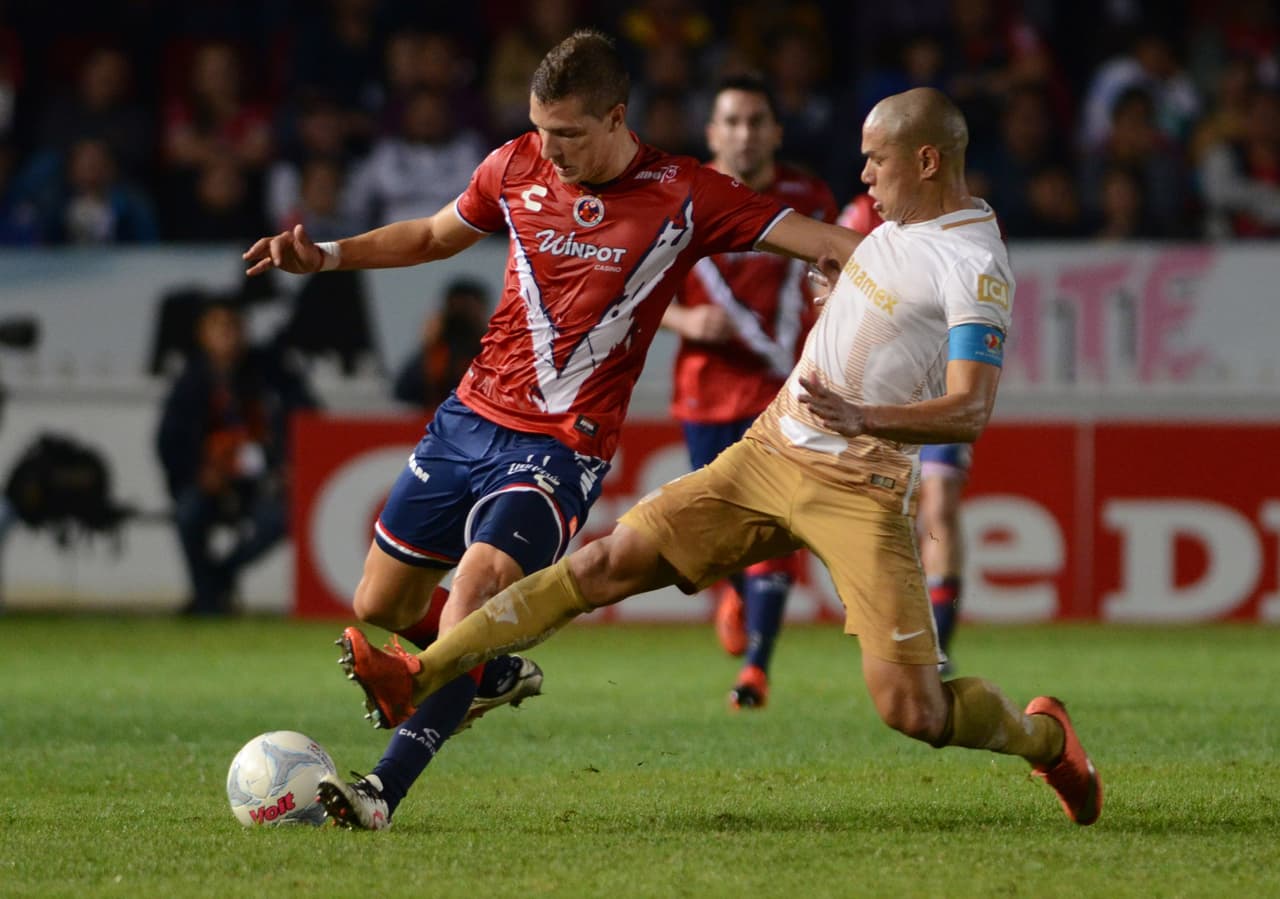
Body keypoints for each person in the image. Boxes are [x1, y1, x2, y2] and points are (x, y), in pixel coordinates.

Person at [345, 87, 1104, 828]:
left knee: (914, 710)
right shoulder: (892, 224)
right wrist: (838, 292)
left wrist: (863, 414)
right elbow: (870, 284)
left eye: (876, 161)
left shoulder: (974, 264)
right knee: (602, 564)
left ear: (929, 160)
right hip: (770, 451)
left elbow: (970, 409)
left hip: (861, 486)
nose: (864, 175)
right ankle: (422, 670)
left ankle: (1047, 739)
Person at [242, 29, 857, 830]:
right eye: (540, 129)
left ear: (616, 117)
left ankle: (379, 792)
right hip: (470, 416)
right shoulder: (514, 165)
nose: (550, 149)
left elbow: (826, 240)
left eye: (567, 134)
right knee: (382, 600)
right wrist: (324, 256)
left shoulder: (686, 192)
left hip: (563, 442)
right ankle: (483, 667)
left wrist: (856, 272)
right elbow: (432, 236)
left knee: (474, 590)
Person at [661, 74, 836, 709]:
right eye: (732, 121)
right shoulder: (678, 195)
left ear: (776, 131)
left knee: (777, 524)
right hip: (706, 390)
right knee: (712, 536)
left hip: (787, 392)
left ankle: (757, 668)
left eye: (757, 120)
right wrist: (685, 320)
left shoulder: (807, 195)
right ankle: (736, 593)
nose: (745, 133)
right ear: (712, 132)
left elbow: (833, 274)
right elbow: (637, 291)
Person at [840, 191, 970, 671]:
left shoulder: (959, 222)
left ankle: (939, 648)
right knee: (882, 517)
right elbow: (826, 304)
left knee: (939, 505)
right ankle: (896, 638)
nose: (871, 172)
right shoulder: (855, 218)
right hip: (876, 389)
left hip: (938, 385)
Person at [156, 298, 317, 615]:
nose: (228, 335)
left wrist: (290, 464)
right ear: (202, 334)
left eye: (234, 326)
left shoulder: (271, 371)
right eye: (219, 327)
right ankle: (207, 601)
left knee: (284, 517)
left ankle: (217, 579)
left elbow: (306, 415)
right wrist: (198, 472)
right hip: (209, 479)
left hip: (264, 479)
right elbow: (168, 440)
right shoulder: (190, 381)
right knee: (188, 514)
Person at [391, 278, 490, 411]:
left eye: (468, 309)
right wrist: (428, 346)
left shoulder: (493, 357)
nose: (461, 319)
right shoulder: (432, 357)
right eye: (455, 308)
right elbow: (404, 397)